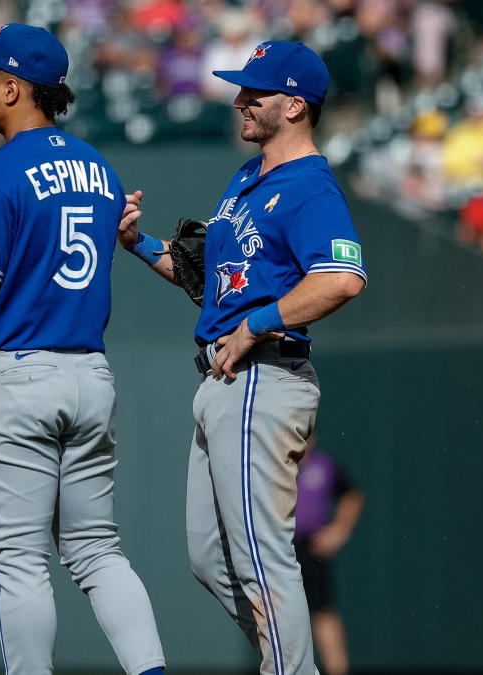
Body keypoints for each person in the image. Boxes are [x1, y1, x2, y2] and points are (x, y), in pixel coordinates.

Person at [0, 24, 166, 675]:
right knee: (98, 551)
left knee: (21, 560)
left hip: (22, 375)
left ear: (12, 85)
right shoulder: (100, 168)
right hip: (90, 375)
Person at [118, 41, 367, 675]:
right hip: (225, 378)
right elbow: (206, 280)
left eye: (255, 92)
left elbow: (341, 278)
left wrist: (258, 322)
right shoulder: (247, 178)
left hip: (265, 376)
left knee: (261, 556)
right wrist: (137, 243)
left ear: (295, 105)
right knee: (208, 558)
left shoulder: (310, 186)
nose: (239, 100)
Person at [294, 437, 364, 675]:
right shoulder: (273, 467)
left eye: (307, 436)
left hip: (312, 549)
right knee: (279, 613)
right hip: (280, 548)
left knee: (322, 611)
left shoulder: (324, 466)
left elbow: (352, 496)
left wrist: (339, 531)